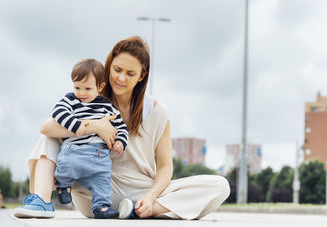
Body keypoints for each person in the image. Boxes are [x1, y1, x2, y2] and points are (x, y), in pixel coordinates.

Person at [14, 36, 230, 219]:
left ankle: (142, 211)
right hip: (98, 187)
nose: (120, 78)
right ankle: (41, 202)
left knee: (220, 185)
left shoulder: (158, 112)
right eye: (117, 69)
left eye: (130, 73)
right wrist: (96, 126)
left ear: (142, 76)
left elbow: (165, 167)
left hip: (141, 189)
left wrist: (151, 196)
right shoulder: (90, 98)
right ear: (109, 67)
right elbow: (46, 127)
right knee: (52, 135)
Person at [51, 58, 128, 219]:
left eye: (87, 88)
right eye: (77, 87)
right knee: (66, 166)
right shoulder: (71, 100)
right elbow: (57, 112)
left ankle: (101, 207)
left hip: (100, 156)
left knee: (103, 181)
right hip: (75, 150)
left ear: (100, 87)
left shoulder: (107, 107)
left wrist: (120, 141)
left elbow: (120, 127)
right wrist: (76, 125)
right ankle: (63, 185)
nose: (81, 93)